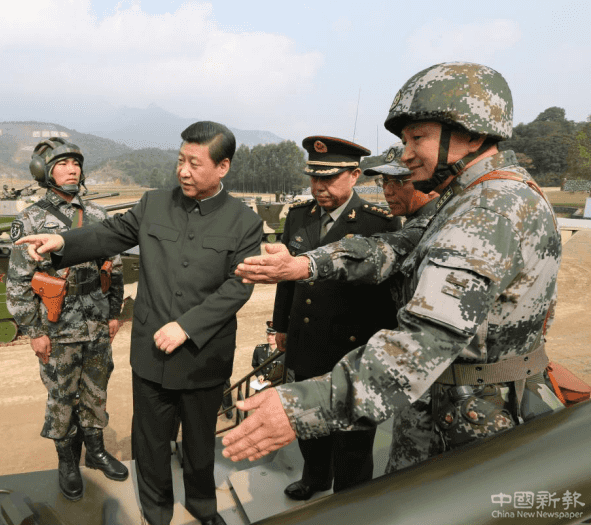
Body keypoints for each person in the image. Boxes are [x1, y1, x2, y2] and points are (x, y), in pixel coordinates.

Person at [223, 62, 563, 473]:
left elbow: (424, 342)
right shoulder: (473, 197)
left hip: (470, 425)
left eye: (418, 137)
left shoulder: (487, 210)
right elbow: (397, 246)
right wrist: (305, 264)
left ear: (472, 134)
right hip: (452, 409)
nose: (405, 154)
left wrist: (299, 407)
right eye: (405, 140)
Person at [15, 121, 263, 525]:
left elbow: (239, 285)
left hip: (203, 355)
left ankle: (203, 507)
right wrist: (62, 243)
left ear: (223, 167)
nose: (183, 171)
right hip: (153, 356)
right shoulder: (154, 204)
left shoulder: (243, 221)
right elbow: (109, 234)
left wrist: (187, 326)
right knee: (150, 444)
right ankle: (157, 514)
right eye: (180, 160)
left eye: (195, 163)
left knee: (200, 443)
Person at [273, 136, 399, 500]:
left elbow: (387, 297)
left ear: (354, 176)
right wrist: (280, 326)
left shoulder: (378, 224)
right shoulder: (299, 216)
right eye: (314, 178)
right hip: (306, 340)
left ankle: (350, 499)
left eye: (328, 178)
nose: (319, 186)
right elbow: (287, 277)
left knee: (353, 433)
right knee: (308, 419)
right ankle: (315, 477)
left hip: (352, 346)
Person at [6, 137, 128, 502]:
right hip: (57, 327)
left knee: (96, 389)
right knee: (62, 396)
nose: (72, 169)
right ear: (44, 172)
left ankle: (97, 451)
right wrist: (33, 331)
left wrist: (114, 313)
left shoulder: (98, 216)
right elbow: (18, 283)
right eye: (62, 163)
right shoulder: (30, 219)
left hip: (97, 322)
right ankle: (67, 462)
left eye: (76, 163)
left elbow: (114, 267)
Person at [251, 321, 286, 386]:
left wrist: (272, 383)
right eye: (268, 334)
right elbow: (255, 365)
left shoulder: (285, 353)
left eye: (273, 335)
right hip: (262, 385)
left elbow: (288, 377)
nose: (269, 337)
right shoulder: (259, 349)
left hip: (279, 387)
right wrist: (259, 375)